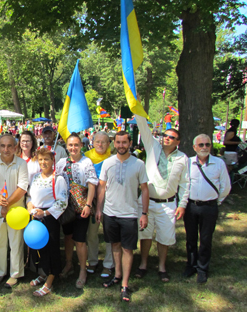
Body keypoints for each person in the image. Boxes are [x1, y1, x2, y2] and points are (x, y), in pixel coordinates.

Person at [134, 115, 190, 282]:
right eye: (165, 135)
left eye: (171, 137)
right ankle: (143, 264)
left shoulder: (182, 158)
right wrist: (136, 108)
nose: (167, 139)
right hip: (147, 202)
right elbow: (143, 127)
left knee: (164, 237)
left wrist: (182, 204)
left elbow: (186, 183)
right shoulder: (153, 147)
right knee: (145, 235)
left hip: (168, 204)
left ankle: (162, 266)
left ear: (178, 142)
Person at [96, 131, 149, 302]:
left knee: (127, 249)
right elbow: (102, 187)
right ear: (114, 143)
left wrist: (144, 213)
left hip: (129, 214)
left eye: (124, 142)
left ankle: (125, 284)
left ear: (130, 143)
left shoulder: (139, 164)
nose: (120, 146)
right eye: (118, 142)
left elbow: (145, 189)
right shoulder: (107, 163)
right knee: (115, 246)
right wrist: (98, 209)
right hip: (110, 213)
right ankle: (117, 275)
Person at [183, 134, 231, 284]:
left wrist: (216, 201)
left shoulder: (218, 163)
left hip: (209, 207)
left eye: (207, 144)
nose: (204, 147)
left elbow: (226, 186)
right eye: (201, 145)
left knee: (205, 239)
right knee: (191, 238)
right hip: (191, 206)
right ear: (194, 147)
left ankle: (202, 269)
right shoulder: (188, 163)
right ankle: (191, 265)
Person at [0, 134, 29, 288]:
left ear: (15, 147)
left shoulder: (22, 164)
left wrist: (7, 204)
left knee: (16, 241)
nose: (6, 149)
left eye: (10, 146)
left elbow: (23, 187)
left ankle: (15, 274)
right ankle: (0, 272)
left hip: (16, 210)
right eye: (3, 146)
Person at [56, 133, 98, 289]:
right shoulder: (61, 163)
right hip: (66, 208)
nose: (73, 148)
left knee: (80, 240)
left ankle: (82, 270)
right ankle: (68, 264)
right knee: (68, 237)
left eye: (76, 145)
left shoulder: (86, 162)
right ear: (66, 146)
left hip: (81, 208)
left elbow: (92, 184)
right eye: (70, 145)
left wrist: (88, 205)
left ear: (81, 145)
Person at [27, 148, 68, 296]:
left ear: (53, 161)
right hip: (35, 217)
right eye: (40, 159)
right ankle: (43, 273)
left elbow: (62, 202)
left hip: (49, 218)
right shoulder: (36, 177)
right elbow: (30, 196)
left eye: (46, 159)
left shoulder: (58, 179)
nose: (43, 162)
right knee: (39, 249)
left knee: (51, 249)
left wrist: (45, 212)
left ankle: (50, 281)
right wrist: (30, 205)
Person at [83, 131, 114, 278]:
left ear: (109, 144)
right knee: (92, 233)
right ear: (93, 143)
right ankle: (93, 261)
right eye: (97, 142)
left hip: (111, 200)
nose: (100, 145)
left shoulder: (114, 158)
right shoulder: (87, 158)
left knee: (109, 232)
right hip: (93, 200)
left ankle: (108, 264)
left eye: (104, 142)